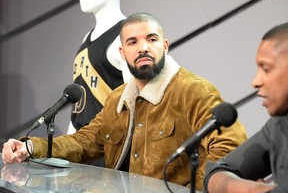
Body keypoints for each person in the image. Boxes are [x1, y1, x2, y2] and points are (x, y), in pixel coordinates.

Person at [2, 12, 247, 191]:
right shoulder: (119, 97)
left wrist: (192, 189)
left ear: (165, 46)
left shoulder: (193, 90)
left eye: (151, 40)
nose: (143, 48)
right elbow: (87, 141)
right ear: (122, 53)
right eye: (133, 42)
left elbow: (230, 147)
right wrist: (31, 147)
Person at [203, 22, 288, 193]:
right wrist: (253, 189)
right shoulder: (278, 124)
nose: (255, 81)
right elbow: (215, 173)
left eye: (266, 68)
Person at [68, 0, 130, 134]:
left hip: (107, 147)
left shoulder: (127, 36)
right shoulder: (87, 38)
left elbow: (139, 107)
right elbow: (79, 107)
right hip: (81, 146)